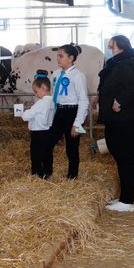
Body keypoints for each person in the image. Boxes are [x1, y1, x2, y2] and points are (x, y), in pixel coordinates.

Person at [98, 35, 134, 213]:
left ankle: (127, 200)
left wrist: (118, 101)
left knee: (125, 158)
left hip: (128, 118)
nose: (109, 49)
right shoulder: (118, 63)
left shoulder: (125, 64)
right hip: (119, 119)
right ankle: (126, 197)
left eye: (111, 46)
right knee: (121, 157)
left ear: (120, 47)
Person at [51, 43, 89, 180]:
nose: (58, 59)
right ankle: (46, 172)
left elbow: (83, 101)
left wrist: (77, 123)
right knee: (48, 142)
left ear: (71, 58)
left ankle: (72, 176)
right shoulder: (55, 74)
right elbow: (52, 95)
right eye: (57, 56)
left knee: (72, 147)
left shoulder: (78, 76)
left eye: (61, 56)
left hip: (72, 112)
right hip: (58, 111)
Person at [20, 75, 56, 179]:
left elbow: (26, 116)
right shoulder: (52, 101)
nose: (35, 94)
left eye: (36, 91)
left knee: (36, 154)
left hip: (38, 133)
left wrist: (24, 111)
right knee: (47, 154)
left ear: (43, 88)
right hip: (48, 131)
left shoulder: (41, 102)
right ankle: (48, 173)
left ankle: (37, 175)